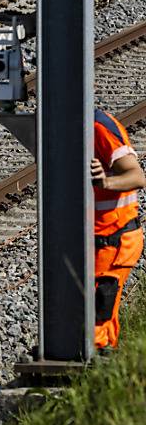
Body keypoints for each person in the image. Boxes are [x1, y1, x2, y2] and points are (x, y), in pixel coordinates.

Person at [91, 108, 145, 350]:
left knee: (96, 319)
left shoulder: (99, 126)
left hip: (114, 239)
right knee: (97, 315)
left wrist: (105, 182)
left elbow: (137, 176)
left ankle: (86, 379)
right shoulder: (64, 123)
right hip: (97, 238)